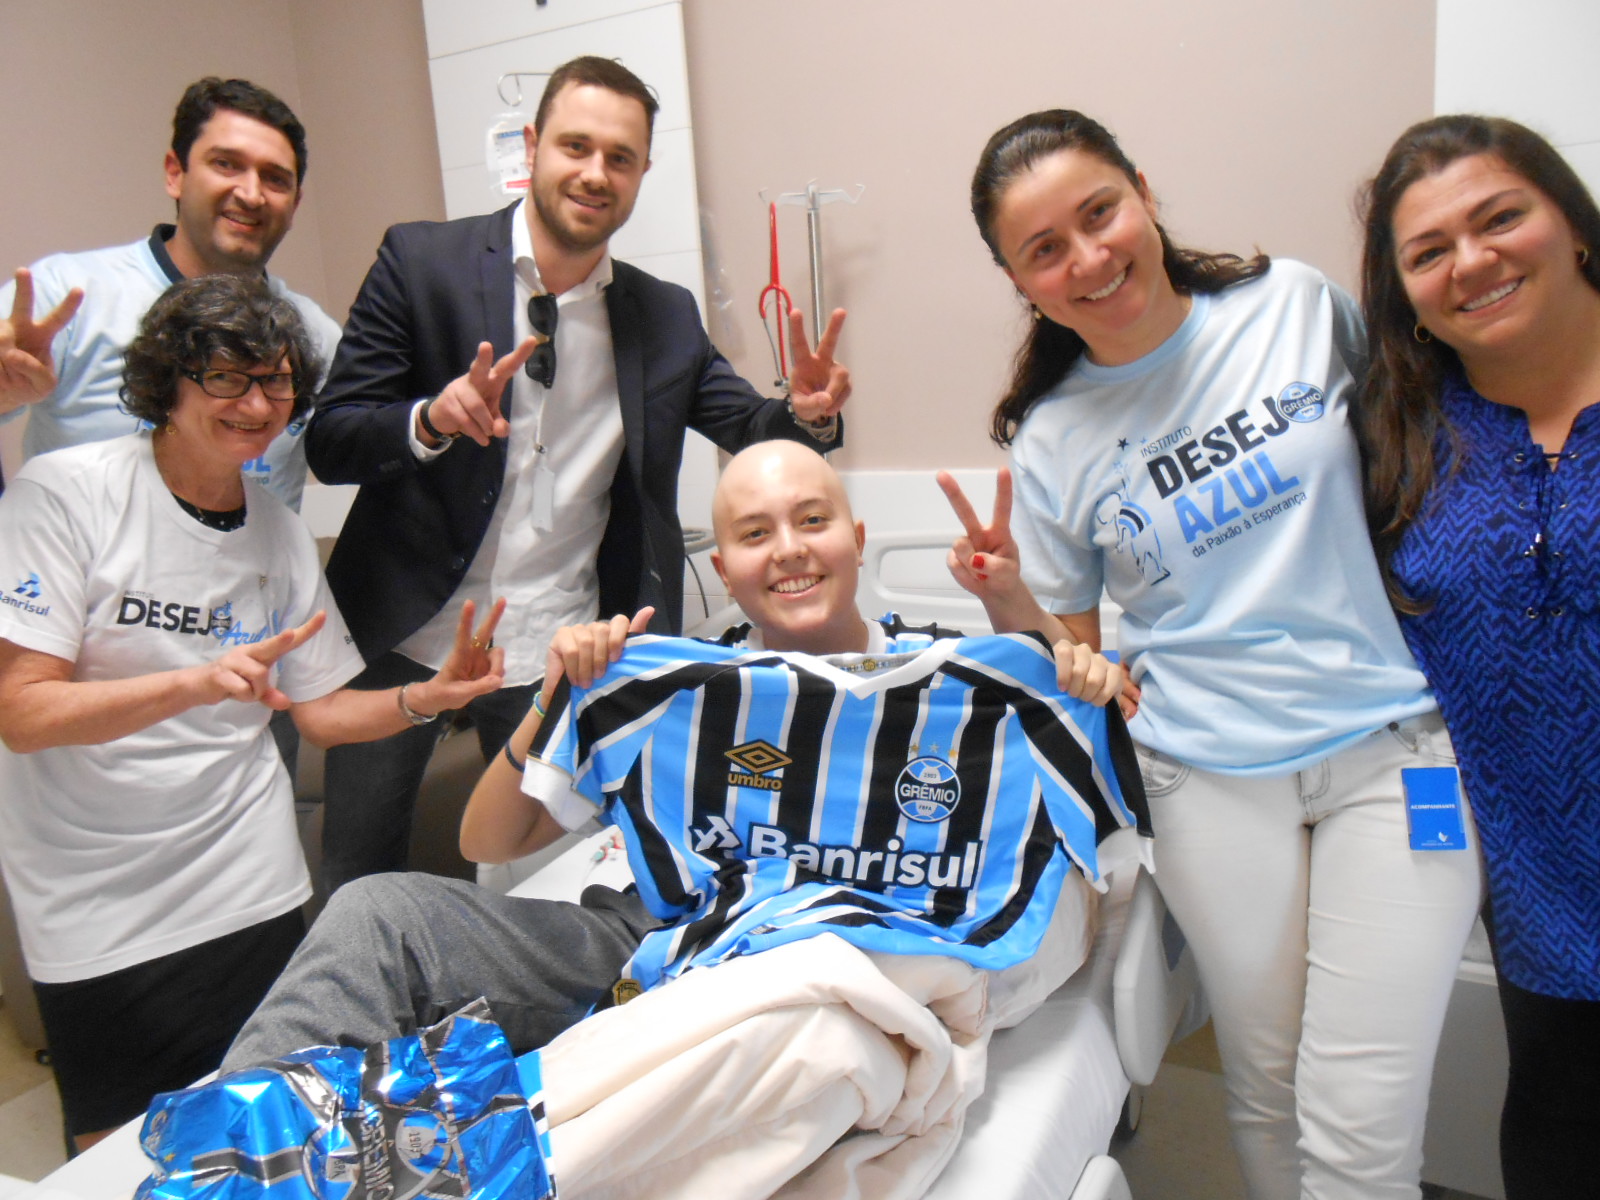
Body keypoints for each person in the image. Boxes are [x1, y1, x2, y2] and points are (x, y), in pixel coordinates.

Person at [222, 439, 1135, 1069]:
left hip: (817, 950)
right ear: (726, 569)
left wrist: (1020, 609)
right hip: (649, 939)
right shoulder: (682, 689)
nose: (788, 551)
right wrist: (556, 696)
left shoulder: (945, 674)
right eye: (753, 534)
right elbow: (489, 840)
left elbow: (1071, 724)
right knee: (378, 913)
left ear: (856, 542)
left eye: (812, 521)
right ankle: (221, 1160)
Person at [963, 109, 1484, 1200]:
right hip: (1204, 780)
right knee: (1261, 1081)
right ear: (1019, 280)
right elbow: (1073, 663)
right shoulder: (1053, 438)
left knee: (1361, 1114)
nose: (1088, 258)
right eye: (1043, 250)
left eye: (1098, 213)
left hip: (1393, 755)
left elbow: (1423, 464)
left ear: (1143, 193)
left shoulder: (1294, 306)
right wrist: (1015, 600)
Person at [307, 55, 852, 895]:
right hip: (404, 638)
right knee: (360, 867)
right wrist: (429, 420)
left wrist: (806, 413)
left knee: (540, 874)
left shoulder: (662, 315)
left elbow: (750, 427)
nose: (596, 173)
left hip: (560, 647)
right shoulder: (424, 265)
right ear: (533, 147)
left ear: (639, 174)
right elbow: (334, 439)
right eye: (576, 146)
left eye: (621, 157)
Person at [0, 274, 504, 1150]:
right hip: (97, 902)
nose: (256, 402)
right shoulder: (66, 494)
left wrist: (428, 696)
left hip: (250, 884)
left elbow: (322, 714)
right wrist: (195, 682)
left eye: (275, 382)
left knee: (266, 1135)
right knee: (122, 1153)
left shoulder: (272, 528)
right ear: (169, 382)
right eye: (226, 377)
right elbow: (25, 711)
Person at [1355, 114, 1600, 1200]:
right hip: (1538, 899)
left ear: (1570, 221)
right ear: (1404, 291)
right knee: (1557, 1141)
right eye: (1429, 251)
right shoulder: (1398, 439)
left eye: (1500, 216)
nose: (1474, 261)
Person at [0, 76, 340, 511]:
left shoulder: (316, 337)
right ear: (175, 173)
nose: (251, 194)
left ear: (294, 205)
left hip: (252, 576)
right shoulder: (67, 297)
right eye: (226, 164)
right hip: (84, 573)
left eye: (275, 179)